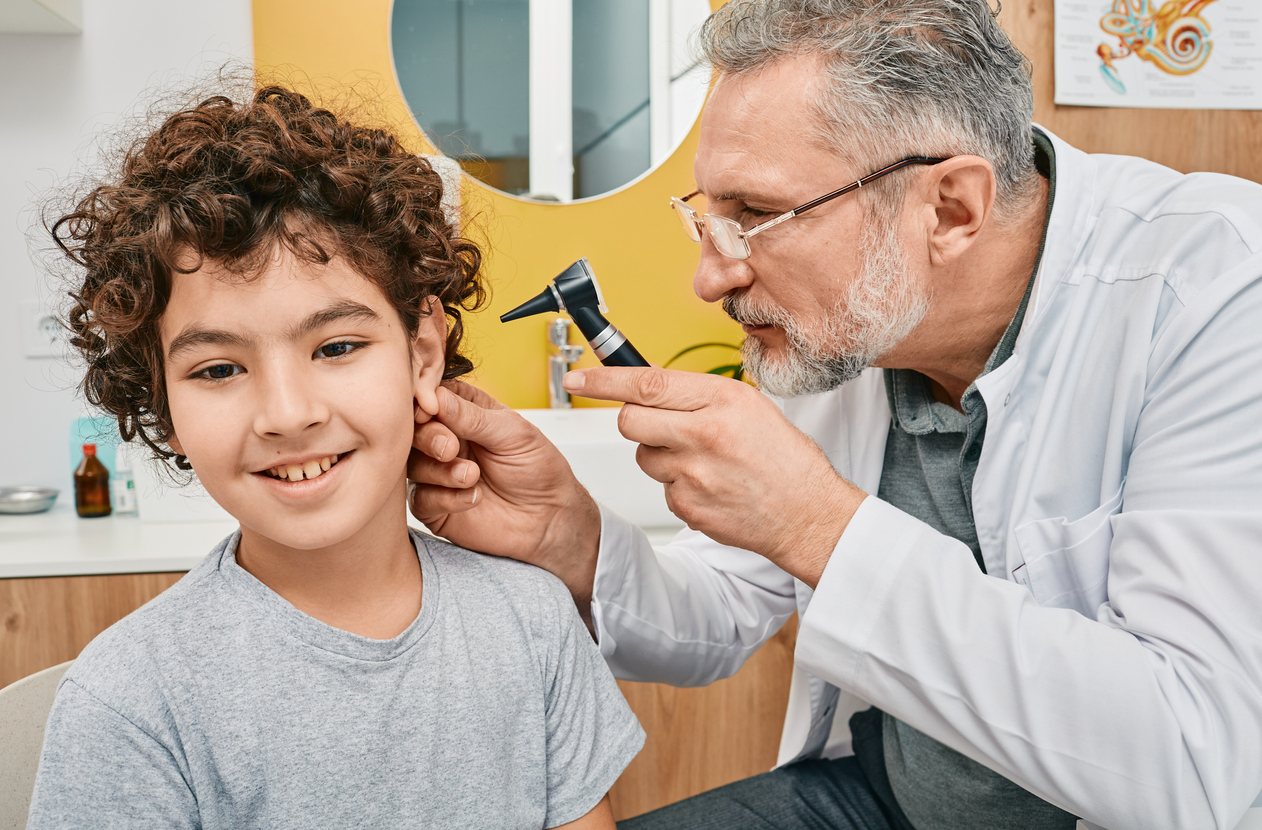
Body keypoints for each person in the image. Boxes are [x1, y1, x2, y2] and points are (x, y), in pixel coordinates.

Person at [404, 1, 1262, 828]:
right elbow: (720, 611)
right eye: (708, 217)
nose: (712, 278)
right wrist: (571, 540)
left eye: (756, 218)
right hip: (884, 796)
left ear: (951, 208)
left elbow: (1190, 766)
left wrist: (818, 523)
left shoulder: (1218, 291)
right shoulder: (855, 328)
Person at [27, 84, 643, 830]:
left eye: (337, 347)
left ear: (422, 354)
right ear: (163, 403)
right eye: (218, 369)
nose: (288, 413)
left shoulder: (532, 624)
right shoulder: (131, 703)